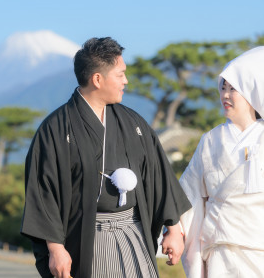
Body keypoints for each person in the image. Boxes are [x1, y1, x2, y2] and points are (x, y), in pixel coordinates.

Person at [21, 37, 191, 278]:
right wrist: (56, 248)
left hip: (134, 233)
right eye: (120, 75)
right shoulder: (56, 130)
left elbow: (158, 175)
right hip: (88, 239)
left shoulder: (133, 124)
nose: (126, 81)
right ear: (97, 79)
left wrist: (173, 228)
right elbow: (44, 193)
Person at [179, 46, 264, 277]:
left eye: (233, 88)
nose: (225, 95)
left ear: (251, 91)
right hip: (219, 250)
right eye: (222, 88)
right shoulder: (210, 140)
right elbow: (189, 193)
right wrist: (175, 230)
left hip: (258, 250)